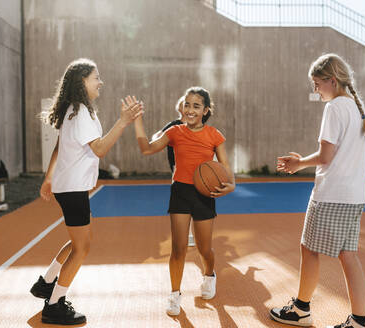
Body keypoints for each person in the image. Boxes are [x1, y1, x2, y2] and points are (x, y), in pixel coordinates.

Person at [30, 58, 143, 325]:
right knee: (82, 248)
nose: (100, 81)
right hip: (73, 188)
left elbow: (60, 144)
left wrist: (48, 178)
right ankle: (54, 305)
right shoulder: (80, 111)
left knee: (78, 242)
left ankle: (46, 283)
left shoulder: (75, 110)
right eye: (96, 77)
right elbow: (100, 149)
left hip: (69, 186)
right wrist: (123, 121)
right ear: (82, 81)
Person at [270, 54, 365, 328]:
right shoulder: (354, 107)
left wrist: (298, 162)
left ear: (332, 80)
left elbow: (326, 156)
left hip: (332, 193)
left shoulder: (335, 108)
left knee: (308, 248)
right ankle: (359, 321)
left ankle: (301, 310)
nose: (316, 90)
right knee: (348, 254)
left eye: (317, 84)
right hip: (354, 195)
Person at [133, 86, 235, 316]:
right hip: (180, 191)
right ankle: (175, 294)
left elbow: (226, 167)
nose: (190, 109)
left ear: (206, 110)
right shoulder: (175, 132)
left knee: (204, 249)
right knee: (178, 249)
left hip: (204, 195)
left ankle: (209, 275)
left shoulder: (214, 135)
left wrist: (232, 184)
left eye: (196, 106)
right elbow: (146, 149)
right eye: (187, 104)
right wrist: (138, 120)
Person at [152, 96, 195, 247]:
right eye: (186, 105)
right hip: (178, 170)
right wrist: (163, 138)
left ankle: (195, 234)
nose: (190, 108)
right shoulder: (174, 125)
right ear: (181, 108)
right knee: (183, 204)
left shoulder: (196, 125)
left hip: (196, 170)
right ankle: (186, 235)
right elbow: (156, 137)